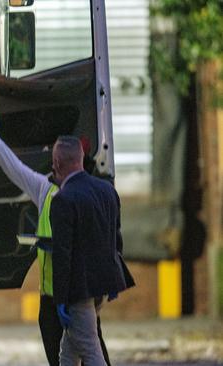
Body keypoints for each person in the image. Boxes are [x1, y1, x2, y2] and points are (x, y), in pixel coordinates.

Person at [0, 104, 116, 366]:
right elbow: (13, 167)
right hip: (54, 299)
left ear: (61, 161)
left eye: (54, 160)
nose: (52, 166)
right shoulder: (46, 190)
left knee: (92, 353)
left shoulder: (79, 196)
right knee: (65, 356)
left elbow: (101, 239)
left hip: (73, 295)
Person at [50, 135, 132, 366]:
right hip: (103, 285)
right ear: (82, 158)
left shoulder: (63, 200)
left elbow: (63, 254)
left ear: (57, 163)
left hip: (79, 290)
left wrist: (60, 298)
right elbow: (115, 237)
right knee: (68, 352)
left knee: (90, 349)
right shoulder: (106, 190)